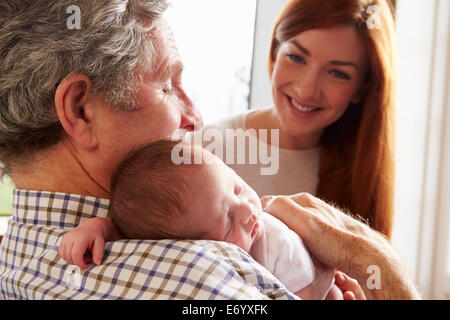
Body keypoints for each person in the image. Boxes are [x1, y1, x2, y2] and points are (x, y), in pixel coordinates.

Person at [0, 0, 420, 300]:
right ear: (80, 109)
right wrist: (379, 265)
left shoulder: (14, 253)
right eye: (167, 85)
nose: (195, 119)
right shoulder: (202, 277)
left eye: (338, 73)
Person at [59, 140, 367, 300]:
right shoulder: (198, 261)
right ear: (198, 247)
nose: (247, 209)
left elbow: (306, 288)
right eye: (229, 221)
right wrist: (100, 226)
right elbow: (141, 235)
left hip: (312, 280)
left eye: (236, 186)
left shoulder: (278, 245)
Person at [193, 0, 396, 238]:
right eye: (296, 57)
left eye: (337, 73)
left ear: (361, 89)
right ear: (274, 52)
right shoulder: (206, 149)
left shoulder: (362, 171)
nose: (307, 90)